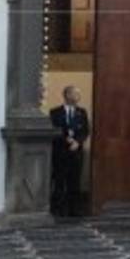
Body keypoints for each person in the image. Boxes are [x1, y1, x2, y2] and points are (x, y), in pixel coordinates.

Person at [49, 86, 90, 218]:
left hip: (76, 152)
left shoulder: (81, 112)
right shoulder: (55, 112)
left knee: (75, 181)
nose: (78, 96)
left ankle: (74, 209)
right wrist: (67, 140)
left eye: (78, 93)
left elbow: (85, 130)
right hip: (61, 152)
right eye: (75, 93)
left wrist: (78, 142)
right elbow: (54, 130)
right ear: (66, 95)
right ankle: (59, 209)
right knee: (60, 181)